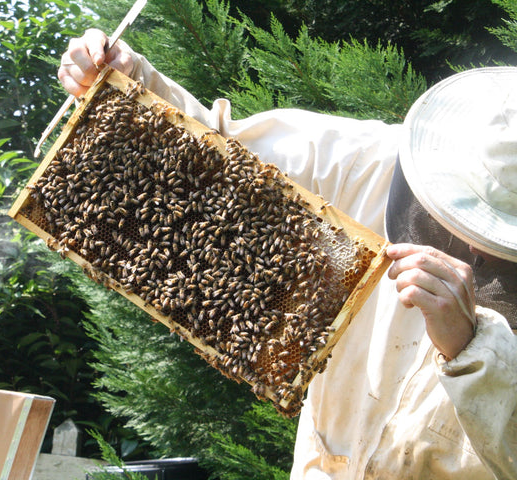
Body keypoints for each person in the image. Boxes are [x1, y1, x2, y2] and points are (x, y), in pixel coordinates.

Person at [58, 29, 517, 479]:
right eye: (465, 209)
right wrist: (129, 78)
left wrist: (474, 354)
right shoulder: (362, 160)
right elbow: (213, 159)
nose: (476, 245)